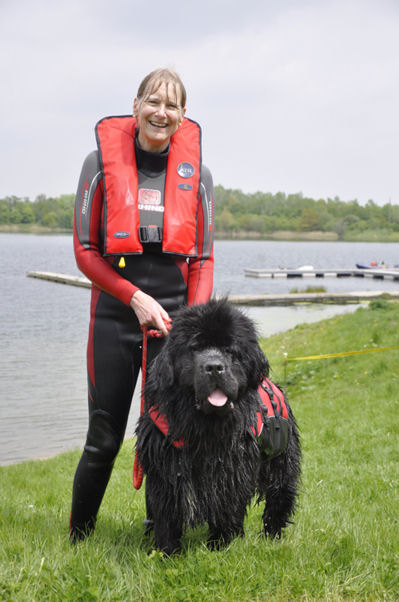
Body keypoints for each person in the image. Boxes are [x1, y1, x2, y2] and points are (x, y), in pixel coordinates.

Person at [70, 68, 214, 542]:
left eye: (171, 106)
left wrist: (190, 328)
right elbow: (85, 252)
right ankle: (79, 537)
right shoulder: (98, 164)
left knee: (167, 435)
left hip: (174, 324)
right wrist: (132, 297)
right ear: (135, 105)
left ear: (183, 115)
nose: (161, 112)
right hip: (114, 317)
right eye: (153, 101)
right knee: (104, 438)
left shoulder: (200, 176)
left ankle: (161, 534)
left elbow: (203, 258)